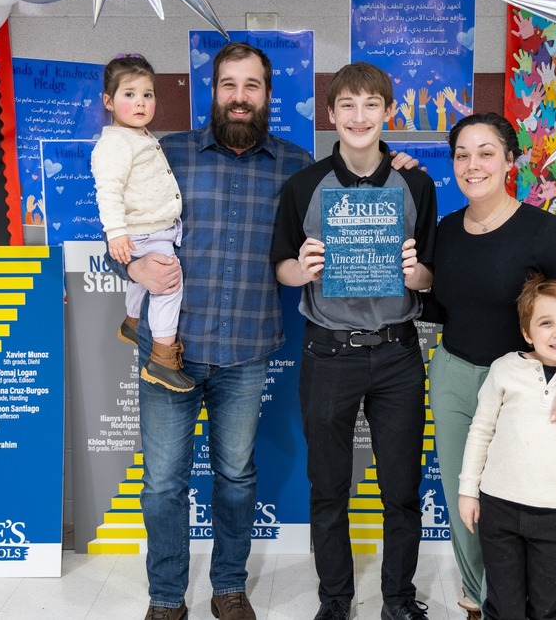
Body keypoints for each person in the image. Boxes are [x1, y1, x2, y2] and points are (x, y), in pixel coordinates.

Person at [107, 44, 418, 620]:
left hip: (248, 351)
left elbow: (357, 178)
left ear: (268, 95)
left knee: (235, 477)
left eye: (253, 86)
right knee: (162, 485)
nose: (240, 97)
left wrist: (398, 164)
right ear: (214, 92)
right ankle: (167, 597)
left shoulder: (297, 165)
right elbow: (116, 226)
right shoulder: (163, 155)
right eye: (230, 85)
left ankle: (228, 586)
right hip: (168, 351)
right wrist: (130, 266)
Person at [270, 61, 437, 620]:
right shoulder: (303, 186)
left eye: (372, 105)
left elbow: (431, 275)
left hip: (396, 352)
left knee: (401, 489)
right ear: (331, 114)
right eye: (348, 105)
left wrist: (417, 274)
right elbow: (280, 269)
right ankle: (335, 600)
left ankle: (398, 599)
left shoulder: (415, 182)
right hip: (328, 352)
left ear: (389, 112)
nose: (359, 116)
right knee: (328, 487)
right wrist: (303, 266)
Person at [424, 113, 556, 619]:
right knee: (465, 492)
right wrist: (416, 284)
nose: (472, 164)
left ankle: (528, 596)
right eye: (462, 154)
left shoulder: (541, 231)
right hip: (455, 375)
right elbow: (448, 307)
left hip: (523, 384)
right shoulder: (448, 230)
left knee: (514, 496)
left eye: (485, 152)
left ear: (508, 161)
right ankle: (482, 595)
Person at [457, 275, 556, 620]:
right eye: (546, 323)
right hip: (499, 509)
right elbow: (480, 432)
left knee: (549, 604)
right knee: (503, 604)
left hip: (555, 516)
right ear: (527, 333)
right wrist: (468, 491)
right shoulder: (504, 370)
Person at [91, 53, 194, 393]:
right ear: (108, 101)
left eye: (147, 94)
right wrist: (115, 233)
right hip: (146, 229)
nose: (140, 102)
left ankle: (133, 323)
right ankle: (162, 359)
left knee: (142, 282)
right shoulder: (115, 143)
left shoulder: (137, 136)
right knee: (167, 284)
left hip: (151, 227)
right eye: (129, 94)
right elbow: (109, 189)